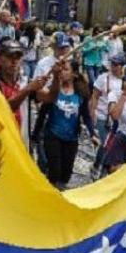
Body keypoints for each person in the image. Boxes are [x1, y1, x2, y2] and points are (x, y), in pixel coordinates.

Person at [32, 61, 97, 189]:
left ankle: (61, 196)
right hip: (52, 135)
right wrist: (35, 135)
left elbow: (86, 116)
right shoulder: (54, 92)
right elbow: (42, 114)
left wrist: (92, 134)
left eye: (66, 69)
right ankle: (51, 196)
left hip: (71, 138)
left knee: (66, 174)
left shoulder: (81, 95)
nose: (62, 72)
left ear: (74, 74)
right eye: (60, 69)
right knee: (54, 170)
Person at [0, 39, 47, 141]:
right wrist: (28, 88)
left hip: (20, 139)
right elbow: (4, 109)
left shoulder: (24, 80)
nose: (14, 62)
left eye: (18, 57)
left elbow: (48, 97)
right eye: (10, 57)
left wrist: (57, 78)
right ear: (0, 58)